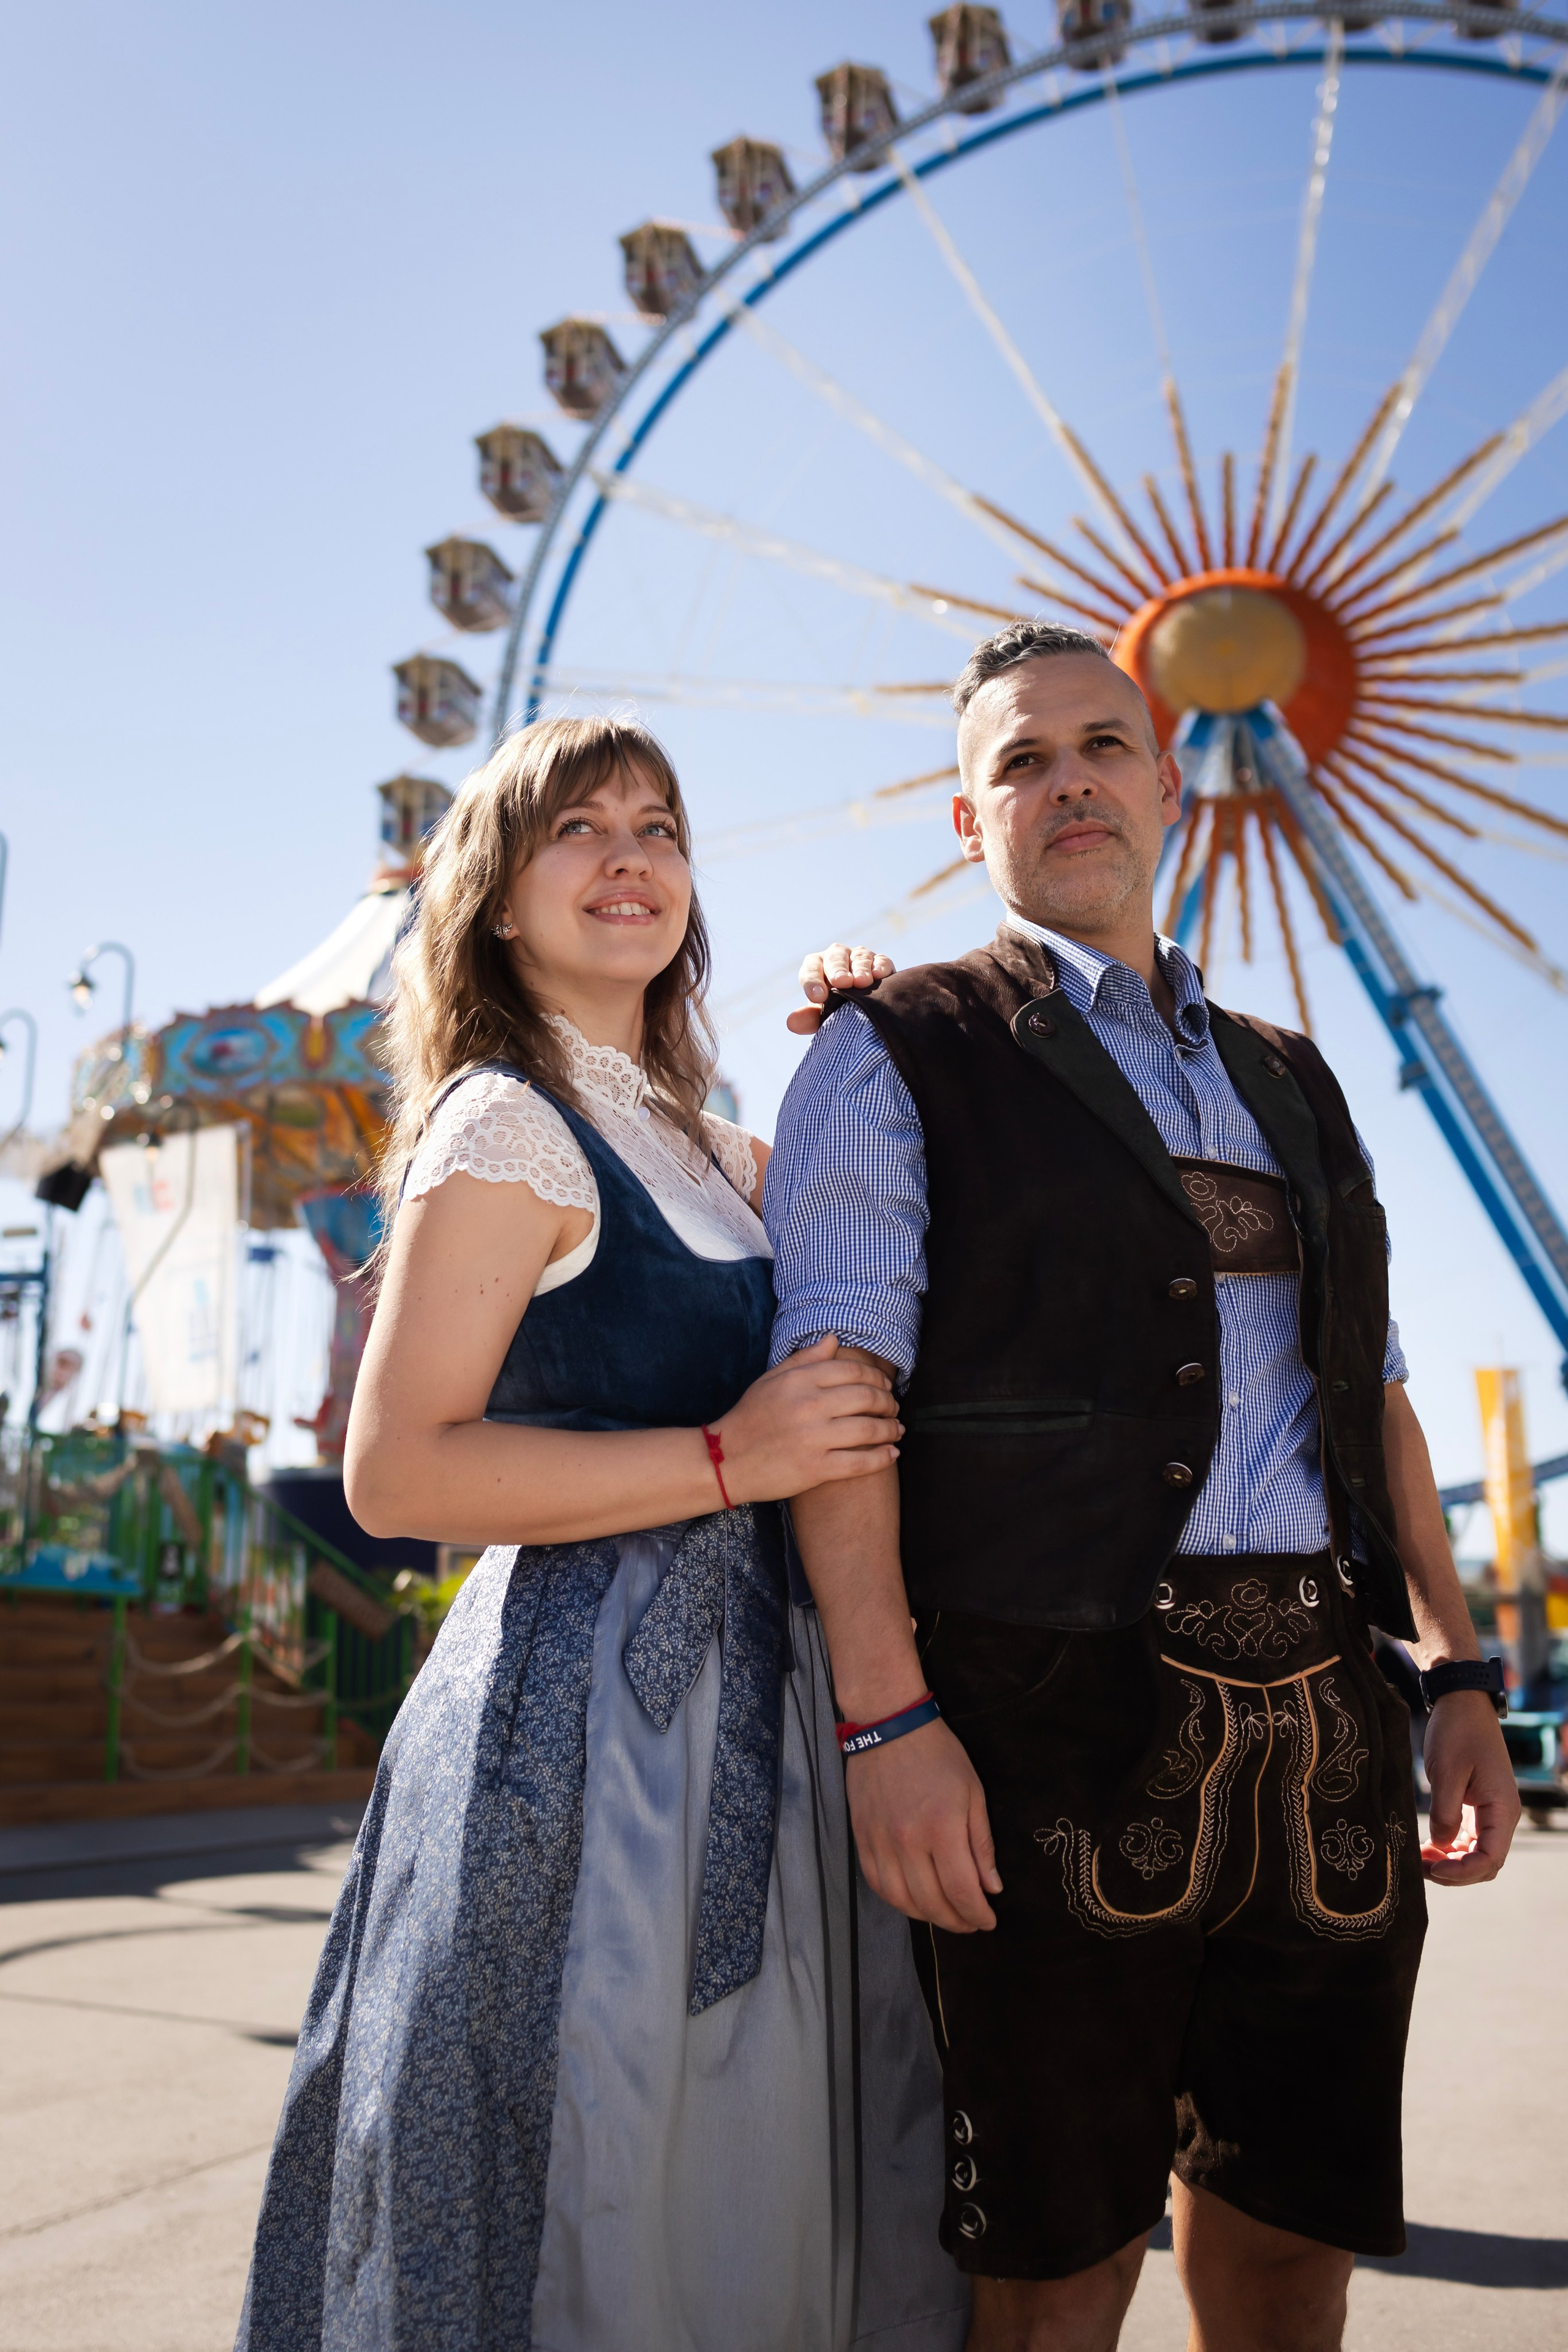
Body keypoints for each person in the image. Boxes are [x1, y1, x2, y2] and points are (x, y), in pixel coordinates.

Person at [766, 623, 1520, 2352]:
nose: (1071, 783)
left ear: (1172, 784)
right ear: (971, 821)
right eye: (1021, 762)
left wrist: (1460, 1670)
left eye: (1103, 745)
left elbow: (1373, 1397)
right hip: (1045, 1723)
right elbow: (838, 1402)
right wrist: (887, 1723)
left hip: (1328, 1726)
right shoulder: (896, 1050)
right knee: (1055, 2276)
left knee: (1293, 2259)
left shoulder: (1293, 1075)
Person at [236, 716, 970, 2352]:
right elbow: (398, 1475)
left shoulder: (707, 1142)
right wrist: (728, 1457)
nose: (629, 856)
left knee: (749, 2168)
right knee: (603, 2163)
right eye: (578, 828)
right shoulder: (506, 1121)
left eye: (659, 827)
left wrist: (879, 1035)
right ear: (498, 897)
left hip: (767, 1695)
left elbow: (903, 1252)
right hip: (589, 1725)